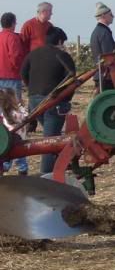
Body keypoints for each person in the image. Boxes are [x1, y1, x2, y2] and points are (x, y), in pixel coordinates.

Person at [21, 26, 76, 175]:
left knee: (52, 135)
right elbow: (73, 79)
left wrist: (32, 90)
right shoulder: (62, 56)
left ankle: (60, 164)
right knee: (50, 141)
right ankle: (46, 177)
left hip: (34, 102)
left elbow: (23, 72)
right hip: (54, 102)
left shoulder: (32, 55)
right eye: (63, 42)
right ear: (59, 41)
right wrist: (66, 99)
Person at [0, 12, 28, 175]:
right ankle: (20, 163)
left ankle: (5, 160)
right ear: (13, 23)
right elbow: (16, 57)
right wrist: (21, 71)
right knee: (15, 118)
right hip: (11, 77)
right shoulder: (12, 38)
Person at [90, 2, 115, 87]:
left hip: (101, 75)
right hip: (106, 77)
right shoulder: (104, 32)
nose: (113, 16)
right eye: (111, 14)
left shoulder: (97, 31)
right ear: (103, 16)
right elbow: (109, 56)